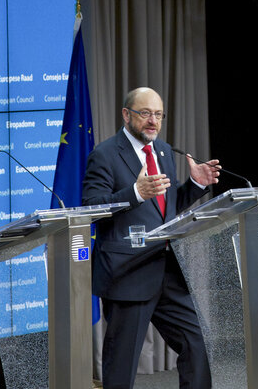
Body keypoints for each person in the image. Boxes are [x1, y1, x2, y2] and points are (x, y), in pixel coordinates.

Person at [82, 87, 220, 389]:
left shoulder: (164, 152)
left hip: (166, 270)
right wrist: (134, 193)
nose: (153, 121)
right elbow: (91, 209)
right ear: (126, 114)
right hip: (128, 273)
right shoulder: (105, 154)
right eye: (145, 113)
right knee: (122, 364)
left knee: (198, 344)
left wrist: (195, 185)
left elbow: (165, 211)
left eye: (158, 114)